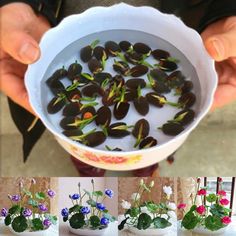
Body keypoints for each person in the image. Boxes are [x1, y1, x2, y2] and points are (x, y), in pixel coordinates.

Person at [1, 0, 236, 176]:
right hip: (53, 24)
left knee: (157, 143)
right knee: (82, 147)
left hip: (175, 15)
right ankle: (89, 168)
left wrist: (224, 12)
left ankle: (146, 168)